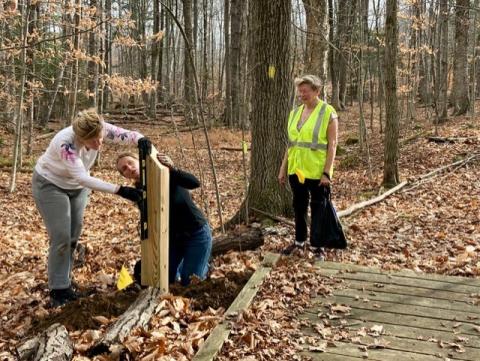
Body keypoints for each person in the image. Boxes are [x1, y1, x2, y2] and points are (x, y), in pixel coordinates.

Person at [32, 108, 145, 307]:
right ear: (81, 138)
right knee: (61, 236)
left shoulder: (99, 128)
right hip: (50, 184)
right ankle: (58, 291)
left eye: (100, 138)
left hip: (77, 188)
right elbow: (82, 176)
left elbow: (129, 136)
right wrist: (120, 190)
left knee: (74, 235)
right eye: (93, 141)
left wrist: (143, 141)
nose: (99, 143)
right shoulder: (65, 143)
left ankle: (65, 282)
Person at [116, 151, 212, 286]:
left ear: (139, 161)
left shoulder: (164, 172)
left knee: (189, 282)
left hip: (196, 233)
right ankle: (189, 262)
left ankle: (204, 265)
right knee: (165, 278)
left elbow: (194, 183)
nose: (129, 168)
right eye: (124, 169)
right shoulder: (138, 190)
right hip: (173, 239)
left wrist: (173, 168)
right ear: (124, 176)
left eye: (130, 163)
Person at [278, 75, 338, 257]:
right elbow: (291, 144)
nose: (302, 94)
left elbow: (333, 144)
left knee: (319, 208)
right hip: (296, 170)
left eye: (306, 91)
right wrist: (283, 169)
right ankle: (299, 241)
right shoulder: (295, 113)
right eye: (300, 91)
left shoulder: (328, 112)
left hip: (318, 171)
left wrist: (327, 173)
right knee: (299, 207)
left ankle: (318, 246)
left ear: (317, 91)